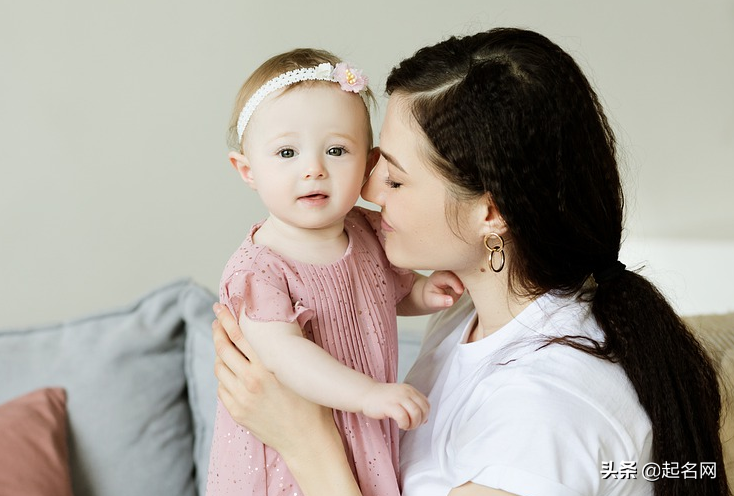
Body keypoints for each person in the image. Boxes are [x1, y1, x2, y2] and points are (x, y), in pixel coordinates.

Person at [210, 29, 730, 496]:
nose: (365, 190)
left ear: (490, 211)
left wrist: (306, 443)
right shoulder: (471, 313)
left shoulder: (540, 421)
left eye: (392, 177)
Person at [206, 48, 463, 496]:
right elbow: (284, 357)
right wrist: (367, 394)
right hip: (289, 446)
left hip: (362, 428)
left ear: (368, 164)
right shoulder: (258, 270)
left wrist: (423, 292)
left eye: (336, 150)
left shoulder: (366, 231)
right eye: (287, 152)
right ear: (247, 170)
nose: (313, 169)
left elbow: (385, 293)